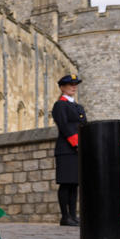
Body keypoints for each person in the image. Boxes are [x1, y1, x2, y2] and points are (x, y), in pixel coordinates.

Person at [52, 74, 87, 226]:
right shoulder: (60, 105)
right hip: (66, 149)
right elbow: (64, 126)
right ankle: (65, 216)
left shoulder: (79, 107)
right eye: (70, 84)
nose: (74, 87)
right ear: (62, 87)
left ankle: (73, 215)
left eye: (75, 84)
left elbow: (84, 125)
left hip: (78, 149)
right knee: (66, 183)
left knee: (74, 183)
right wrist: (76, 143)